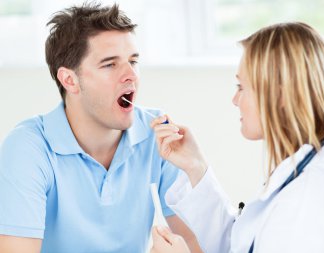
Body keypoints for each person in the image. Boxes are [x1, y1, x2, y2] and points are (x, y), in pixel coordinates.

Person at [149, 22, 324, 253]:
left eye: (241, 86)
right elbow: (240, 244)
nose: (235, 100)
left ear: (280, 95)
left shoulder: (312, 203)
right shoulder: (306, 172)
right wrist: (195, 166)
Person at [0, 3, 202, 253]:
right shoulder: (28, 148)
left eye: (133, 61)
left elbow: (196, 244)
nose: (131, 75)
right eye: (110, 64)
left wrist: (197, 168)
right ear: (70, 80)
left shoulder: (157, 134)